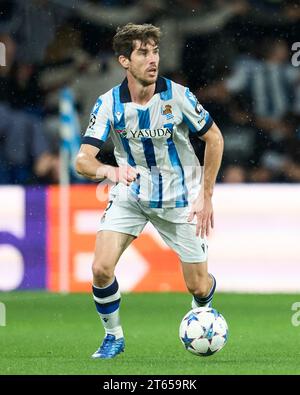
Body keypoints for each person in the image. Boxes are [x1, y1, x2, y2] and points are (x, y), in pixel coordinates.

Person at [75, 23, 224, 359]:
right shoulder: (109, 103)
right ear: (124, 61)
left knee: (198, 286)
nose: (153, 59)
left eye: (155, 51)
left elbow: (214, 138)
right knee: (100, 268)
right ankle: (113, 337)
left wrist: (207, 195)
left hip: (178, 199)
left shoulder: (179, 97)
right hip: (131, 195)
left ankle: (204, 307)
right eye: (143, 52)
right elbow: (82, 160)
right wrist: (109, 170)